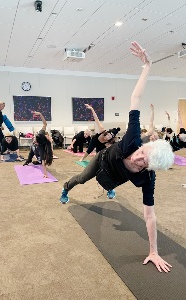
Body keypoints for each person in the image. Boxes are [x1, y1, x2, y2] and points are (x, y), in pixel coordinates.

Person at [60, 41, 175, 273]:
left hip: (114, 177)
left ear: (150, 169)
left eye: (144, 162)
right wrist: (147, 67)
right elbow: (136, 99)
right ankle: (65, 188)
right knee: (82, 178)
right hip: (101, 161)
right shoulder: (133, 138)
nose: (137, 158)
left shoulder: (147, 179)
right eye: (141, 153)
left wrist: (153, 251)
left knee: (112, 186)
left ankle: (110, 187)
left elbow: (150, 216)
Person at [23, 112, 53, 177]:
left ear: (38, 142)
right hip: (35, 147)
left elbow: (43, 162)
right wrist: (40, 115)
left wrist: (45, 174)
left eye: (35, 139)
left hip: (38, 151)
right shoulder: (41, 134)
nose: (34, 137)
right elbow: (45, 124)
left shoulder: (41, 147)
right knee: (32, 149)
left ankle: (36, 160)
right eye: (35, 137)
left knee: (37, 154)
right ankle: (28, 160)